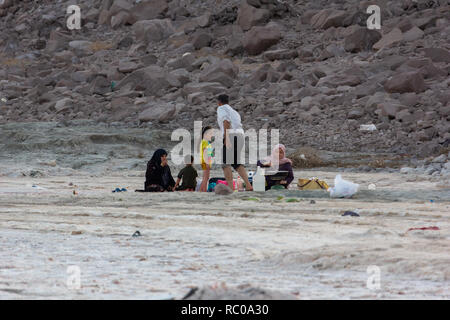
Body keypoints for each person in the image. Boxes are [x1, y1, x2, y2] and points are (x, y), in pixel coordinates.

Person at [216, 94, 252, 191]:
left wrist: (226, 138)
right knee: (236, 163)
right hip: (240, 136)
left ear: (219, 102)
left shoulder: (221, 108)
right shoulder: (234, 112)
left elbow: (226, 121)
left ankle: (231, 188)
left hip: (231, 135)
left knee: (225, 164)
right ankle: (248, 186)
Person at [199, 126, 213, 192]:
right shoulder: (205, 142)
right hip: (206, 161)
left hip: (206, 161)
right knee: (206, 177)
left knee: (205, 177)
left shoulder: (206, 142)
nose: (211, 135)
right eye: (210, 134)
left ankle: (201, 190)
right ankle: (203, 190)